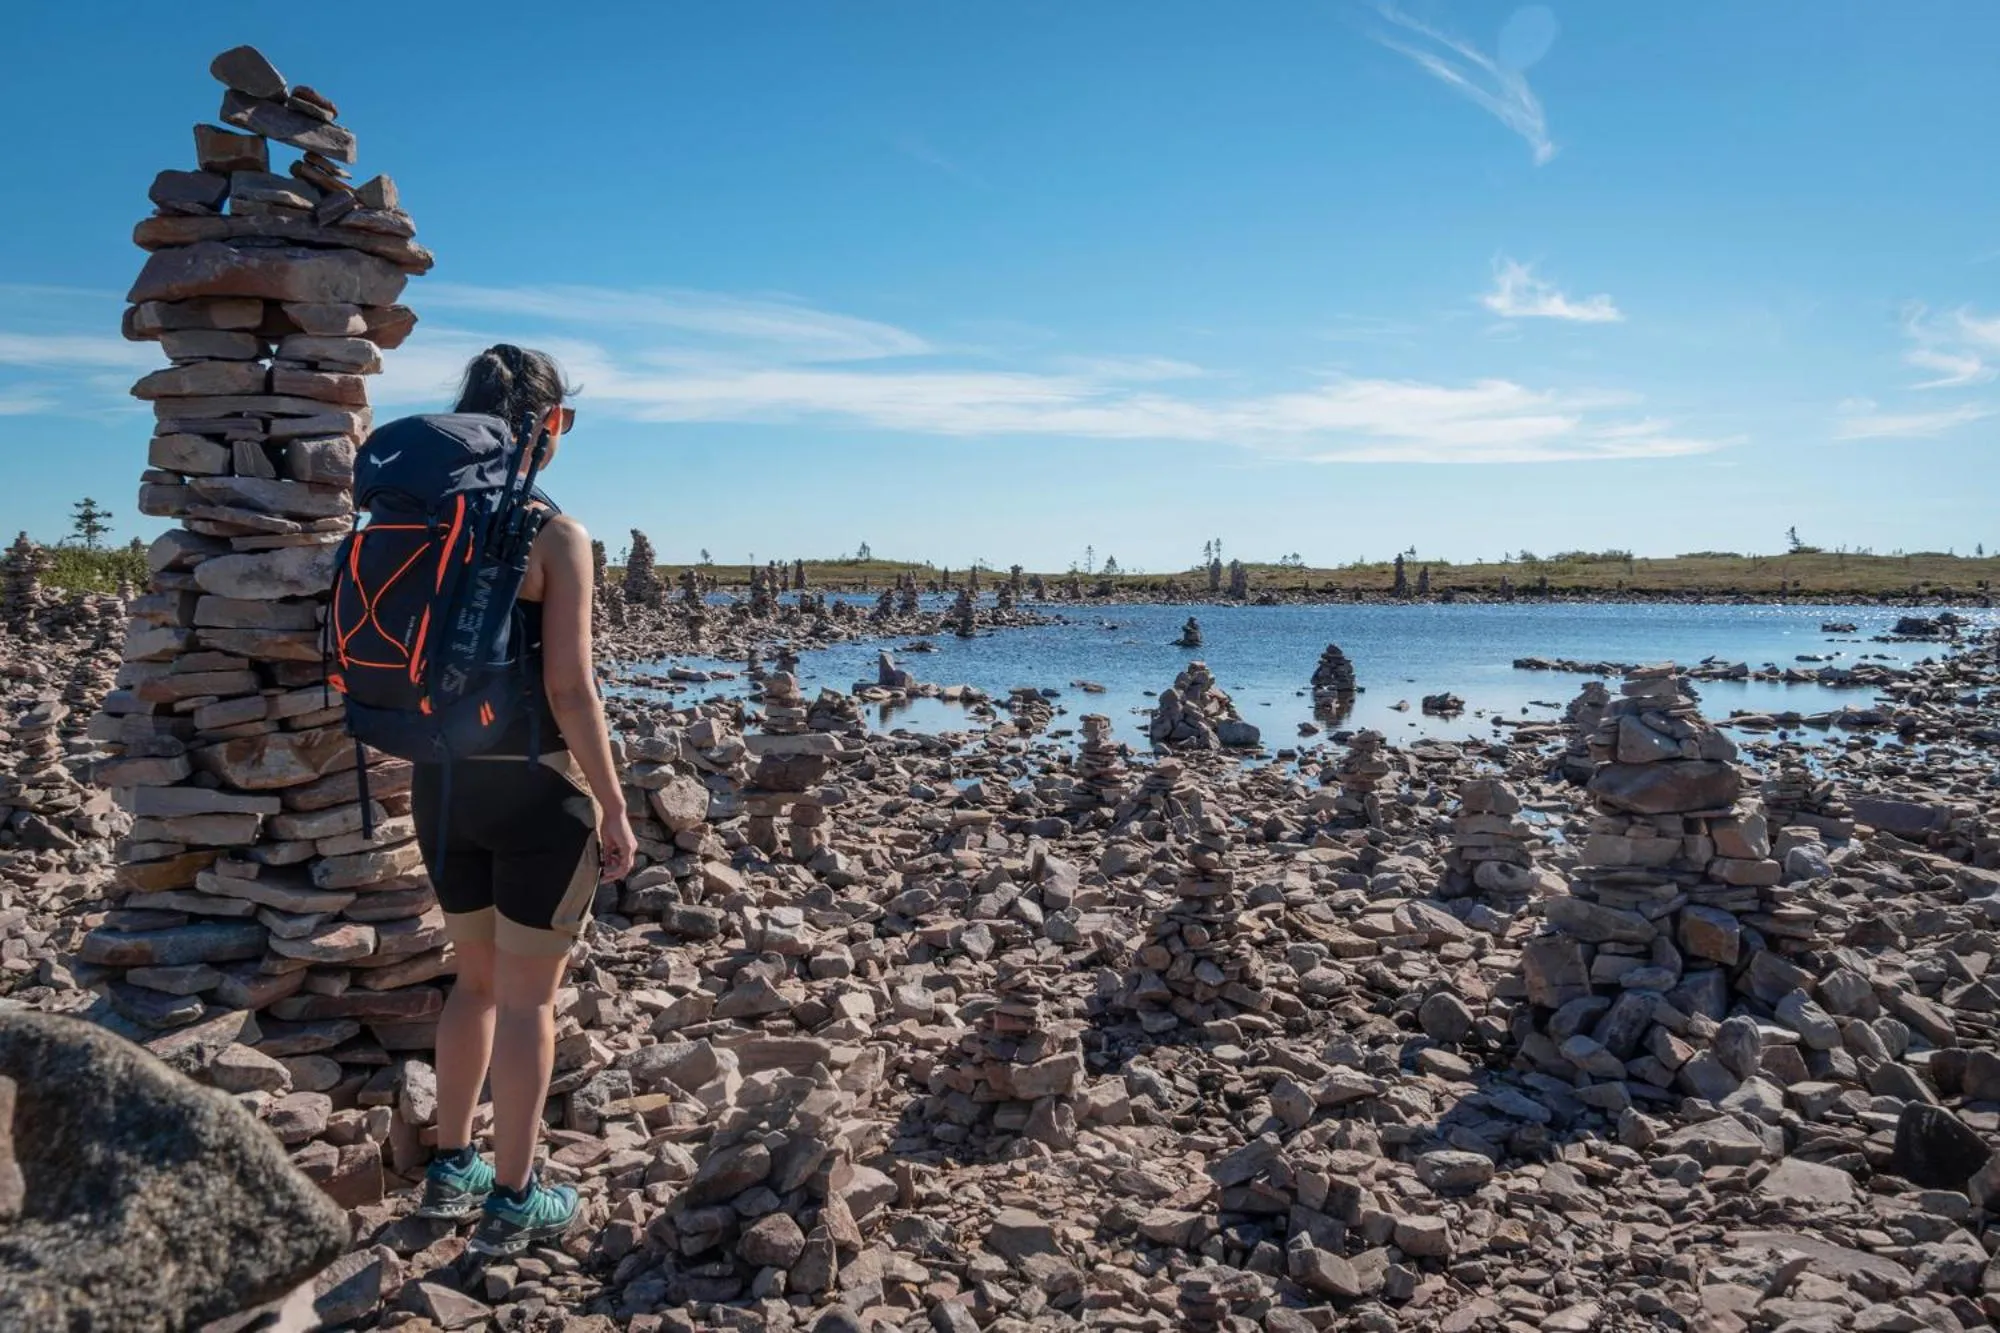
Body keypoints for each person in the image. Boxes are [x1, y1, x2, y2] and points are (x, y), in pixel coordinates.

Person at [411, 345, 639, 1256]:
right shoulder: (555, 532)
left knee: (470, 982)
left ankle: (450, 1163)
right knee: (528, 999)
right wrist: (615, 806)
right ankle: (514, 1197)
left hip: (441, 780)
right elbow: (574, 689)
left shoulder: (425, 515)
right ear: (550, 425)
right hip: (536, 786)